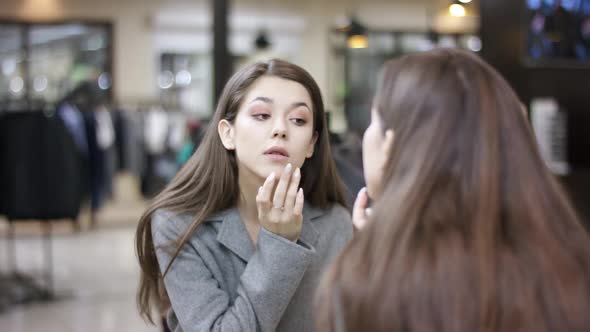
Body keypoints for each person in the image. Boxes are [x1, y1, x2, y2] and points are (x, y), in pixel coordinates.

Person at [316, 48, 590, 331]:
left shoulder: (365, 286)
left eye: (373, 120)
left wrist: (373, 253)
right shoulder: (568, 267)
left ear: (390, 146)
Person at [136, 59, 352, 332]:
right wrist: (279, 244)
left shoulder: (336, 223)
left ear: (311, 144)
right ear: (228, 134)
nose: (280, 129)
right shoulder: (178, 224)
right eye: (262, 115)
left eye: (298, 119)